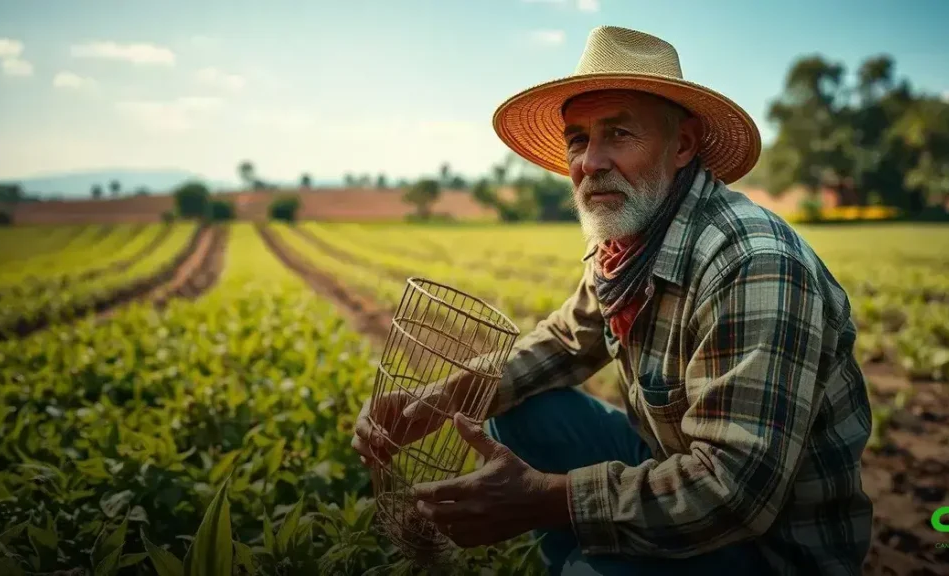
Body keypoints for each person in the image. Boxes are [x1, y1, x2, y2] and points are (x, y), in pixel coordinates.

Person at [352, 25, 874, 576]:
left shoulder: (753, 264)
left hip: (769, 548)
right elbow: (563, 340)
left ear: (683, 145)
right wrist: (441, 398)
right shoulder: (628, 245)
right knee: (521, 405)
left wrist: (544, 498)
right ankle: (587, 558)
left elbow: (733, 491)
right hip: (677, 470)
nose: (590, 162)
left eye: (618, 133)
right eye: (578, 140)